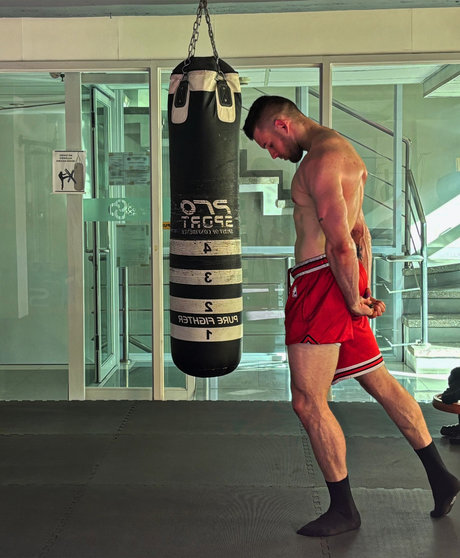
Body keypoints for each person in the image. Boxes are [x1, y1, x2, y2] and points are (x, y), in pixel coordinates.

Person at [243, 95, 460, 537]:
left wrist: (353, 298)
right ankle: (442, 479)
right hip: (340, 281)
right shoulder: (346, 153)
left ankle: (344, 510)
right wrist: (362, 290)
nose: (273, 154)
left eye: (269, 144)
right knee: (379, 380)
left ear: (282, 124)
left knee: (307, 401)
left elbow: (341, 243)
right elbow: (360, 233)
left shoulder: (320, 162)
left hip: (321, 285)